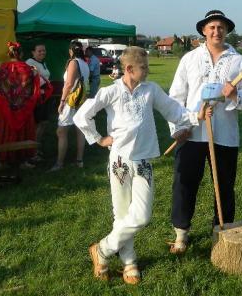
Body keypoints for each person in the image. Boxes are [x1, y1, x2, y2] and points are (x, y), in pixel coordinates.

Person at [74, 47, 207, 284]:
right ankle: (129, 262)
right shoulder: (111, 91)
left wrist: (196, 116)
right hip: (120, 161)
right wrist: (99, 139)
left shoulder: (151, 90)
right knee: (122, 214)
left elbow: (173, 110)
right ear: (129, 69)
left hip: (143, 160)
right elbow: (82, 115)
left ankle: (102, 249)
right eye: (143, 67)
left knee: (142, 215)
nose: (147, 71)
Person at [167, 9, 242, 254]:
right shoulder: (189, 59)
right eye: (212, 27)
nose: (217, 31)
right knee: (185, 183)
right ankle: (181, 234)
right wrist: (179, 127)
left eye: (221, 27)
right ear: (204, 31)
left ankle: (221, 232)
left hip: (224, 134)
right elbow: (175, 97)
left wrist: (235, 94)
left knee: (224, 185)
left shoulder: (238, 61)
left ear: (227, 31)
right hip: (192, 132)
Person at [0, 42, 41, 167]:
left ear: (9, 54)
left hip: (7, 107)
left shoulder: (2, 67)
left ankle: (3, 160)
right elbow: (32, 86)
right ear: (21, 54)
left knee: (6, 132)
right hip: (22, 107)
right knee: (24, 132)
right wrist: (35, 74)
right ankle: (23, 159)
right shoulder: (27, 68)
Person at [51, 41, 90, 171]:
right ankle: (79, 160)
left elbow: (68, 84)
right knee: (80, 130)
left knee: (61, 131)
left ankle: (59, 163)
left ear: (71, 51)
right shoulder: (84, 63)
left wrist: (62, 101)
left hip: (71, 101)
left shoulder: (73, 62)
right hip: (82, 100)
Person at [25, 42, 53, 162]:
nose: (42, 52)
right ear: (33, 52)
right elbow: (28, 80)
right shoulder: (29, 62)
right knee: (38, 124)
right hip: (37, 98)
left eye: (44, 50)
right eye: (39, 51)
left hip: (45, 97)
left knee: (43, 123)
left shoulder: (42, 63)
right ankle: (32, 151)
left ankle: (36, 148)